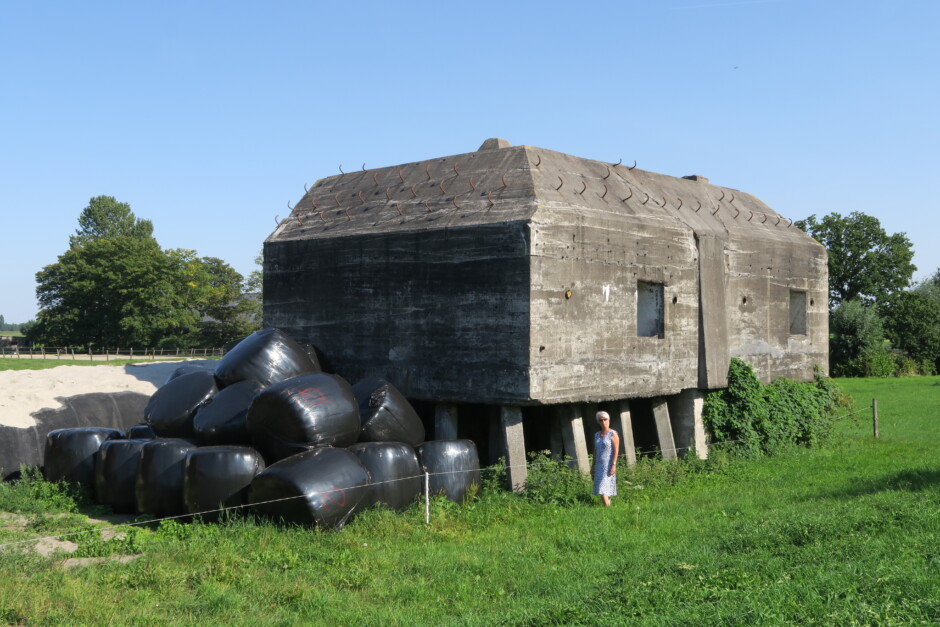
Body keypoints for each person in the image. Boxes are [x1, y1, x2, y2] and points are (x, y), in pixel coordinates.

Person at [592, 410, 620, 507]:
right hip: (599, 465)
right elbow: (595, 450)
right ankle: (609, 508)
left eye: (605, 419)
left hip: (608, 465)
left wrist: (614, 464)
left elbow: (616, 450)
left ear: (609, 420)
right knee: (604, 488)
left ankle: (607, 508)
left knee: (602, 487)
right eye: (601, 420)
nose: (603, 422)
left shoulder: (613, 434)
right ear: (598, 422)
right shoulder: (597, 435)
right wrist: (593, 465)